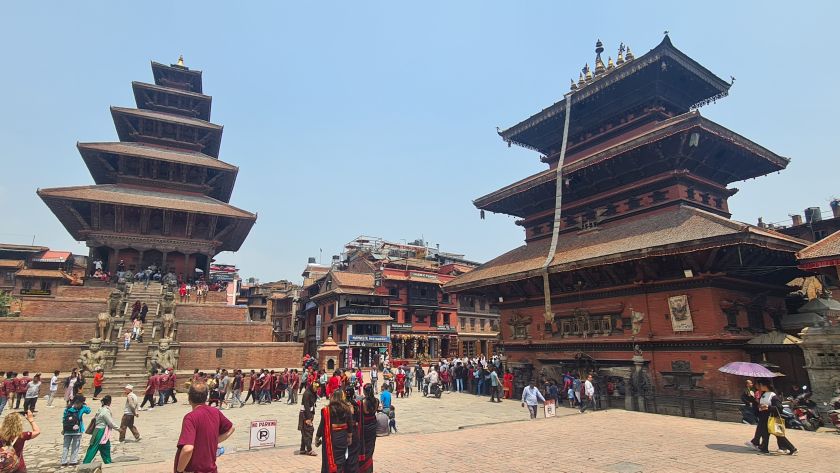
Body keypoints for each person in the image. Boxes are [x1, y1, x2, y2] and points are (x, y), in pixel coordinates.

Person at [174, 382, 235, 473]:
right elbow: (231, 428)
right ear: (206, 397)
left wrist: (179, 470)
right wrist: (213, 441)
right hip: (211, 469)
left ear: (189, 398)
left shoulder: (190, 417)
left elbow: (188, 449)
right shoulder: (215, 412)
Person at [746, 378, 797, 455]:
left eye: (759, 385)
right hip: (763, 416)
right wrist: (753, 400)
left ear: (764, 385)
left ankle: (792, 448)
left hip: (770, 417)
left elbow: (779, 408)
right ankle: (764, 448)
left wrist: (768, 407)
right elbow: (759, 404)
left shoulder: (773, 396)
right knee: (765, 433)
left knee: (778, 434)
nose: (758, 387)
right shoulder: (763, 394)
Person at [315, 389, 352, 473]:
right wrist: (350, 437)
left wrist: (317, 438)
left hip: (330, 438)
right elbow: (350, 424)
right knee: (340, 460)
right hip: (342, 437)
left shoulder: (326, 410)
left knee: (329, 460)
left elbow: (322, 425)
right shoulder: (347, 408)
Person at [83, 395, 119, 465]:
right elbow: (110, 422)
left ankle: (107, 461)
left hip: (100, 431)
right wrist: (119, 429)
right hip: (101, 431)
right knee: (94, 447)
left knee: (106, 446)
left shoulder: (100, 409)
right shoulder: (105, 411)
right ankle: (86, 463)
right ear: (109, 402)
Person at [61, 395, 90, 467]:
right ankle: (73, 461)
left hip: (67, 431)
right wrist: (84, 405)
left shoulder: (67, 409)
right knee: (75, 446)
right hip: (77, 431)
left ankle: (63, 461)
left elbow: (64, 419)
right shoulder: (82, 408)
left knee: (65, 446)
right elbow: (89, 411)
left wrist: (64, 429)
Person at [359, 384, 379, 472]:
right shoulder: (376, 401)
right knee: (370, 447)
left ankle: (363, 468)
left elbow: (364, 413)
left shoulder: (363, 402)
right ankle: (369, 468)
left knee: (364, 447)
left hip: (365, 426)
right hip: (373, 425)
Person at [298, 381, 317, 456]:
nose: (317, 390)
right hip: (305, 415)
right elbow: (306, 406)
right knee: (308, 431)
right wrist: (308, 418)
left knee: (305, 431)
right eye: (316, 388)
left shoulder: (312, 392)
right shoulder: (307, 394)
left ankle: (302, 449)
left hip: (309, 413)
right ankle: (309, 450)